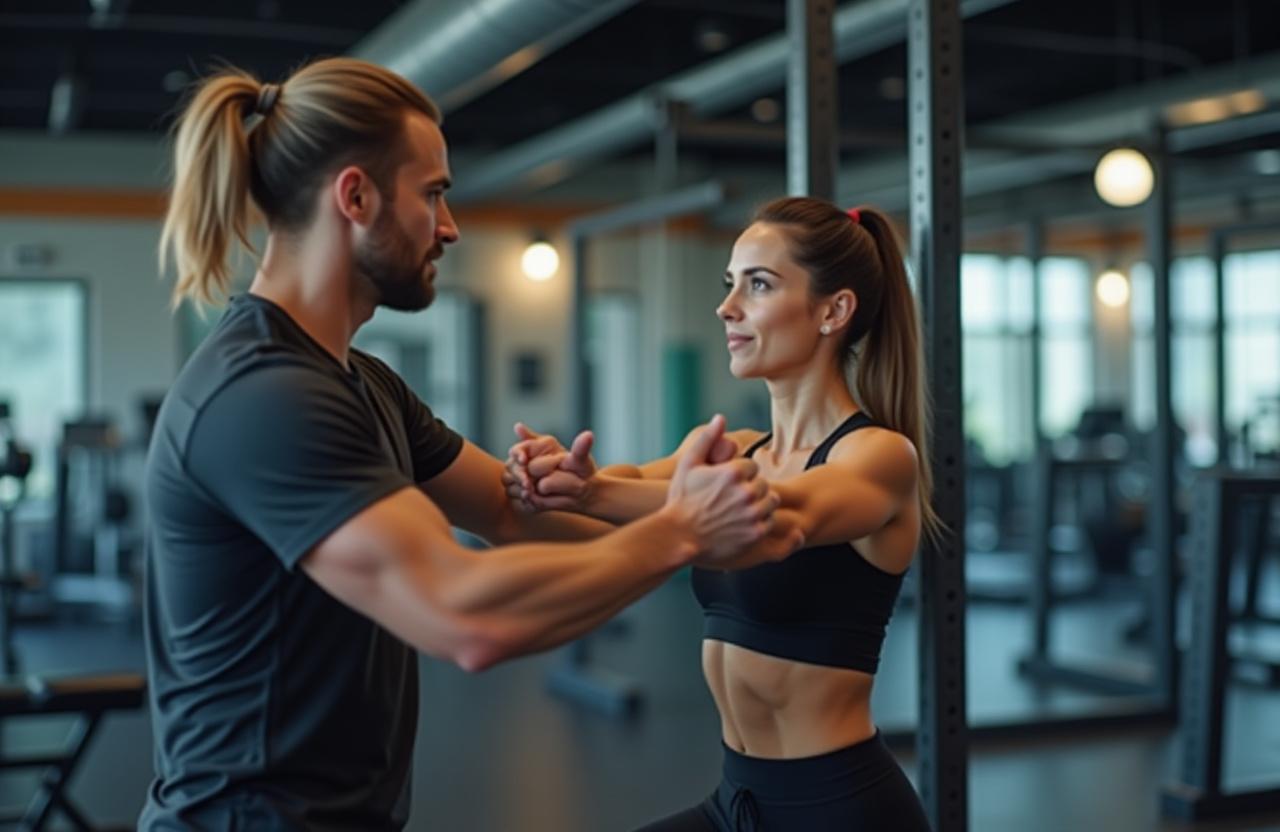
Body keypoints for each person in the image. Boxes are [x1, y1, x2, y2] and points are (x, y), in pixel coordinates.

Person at [140, 57, 805, 831]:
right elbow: (465, 616)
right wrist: (683, 530)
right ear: (354, 197)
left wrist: (633, 498)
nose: (449, 227)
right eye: (434, 194)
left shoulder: (362, 382)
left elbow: (512, 511)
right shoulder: (263, 397)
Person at [506, 197, 938, 831]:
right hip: (736, 801)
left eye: (757, 285)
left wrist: (593, 493)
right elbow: (622, 484)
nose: (727, 306)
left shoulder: (878, 456)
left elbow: (772, 514)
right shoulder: (735, 448)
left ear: (833, 311)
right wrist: (551, 475)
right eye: (729, 282)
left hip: (840, 809)